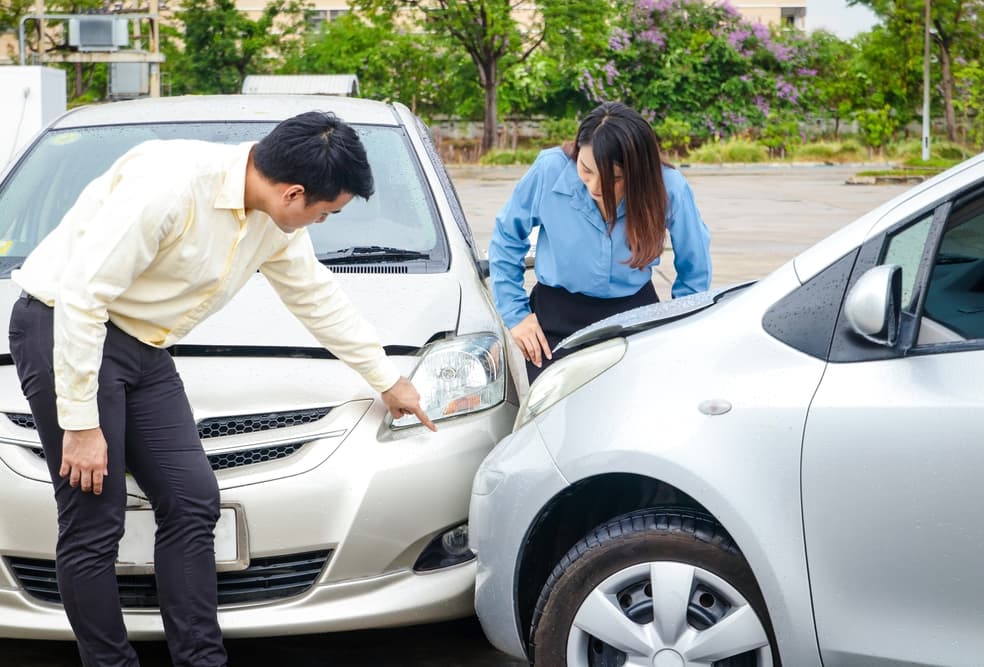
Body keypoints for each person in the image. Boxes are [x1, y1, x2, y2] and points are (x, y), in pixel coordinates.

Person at [7, 111, 435, 667]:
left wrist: (389, 379)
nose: (319, 224)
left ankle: (201, 661)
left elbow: (315, 298)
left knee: (192, 500)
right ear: (294, 192)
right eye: (325, 214)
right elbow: (84, 298)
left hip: (142, 345)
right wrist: (82, 422)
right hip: (62, 326)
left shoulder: (274, 222)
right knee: (94, 515)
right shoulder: (169, 187)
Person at [489, 101, 713, 382]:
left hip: (634, 314)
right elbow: (506, 238)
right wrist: (516, 315)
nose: (595, 187)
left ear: (638, 173)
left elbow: (695, 265)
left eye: (614, 178)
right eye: (586, 169)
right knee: (554, 415)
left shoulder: (669, 187)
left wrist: (679, 324)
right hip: (555, 317)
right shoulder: (549, 170)